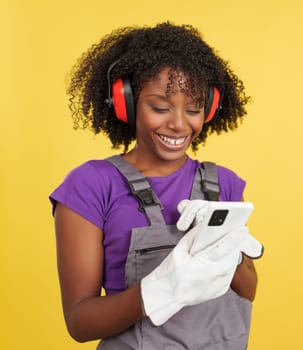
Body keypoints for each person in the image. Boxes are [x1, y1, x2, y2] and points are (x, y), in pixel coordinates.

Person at [49, 22, 263, 349]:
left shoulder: (224, 185)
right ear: (127, 104)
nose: (178, 124)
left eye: (193, 109)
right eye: (160, 107)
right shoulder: (91, 186)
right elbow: (79, 322)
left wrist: (231, 253)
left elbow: (247, 292)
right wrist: (162, 288)